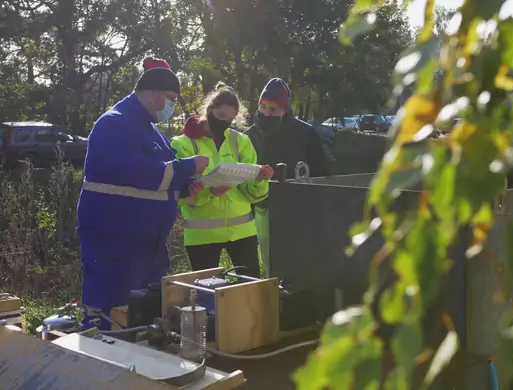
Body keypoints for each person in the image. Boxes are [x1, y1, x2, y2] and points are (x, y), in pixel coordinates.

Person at [77, 57, 208, 329]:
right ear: (154, 94)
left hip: (147, 246)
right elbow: (139, 173)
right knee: (109, 316)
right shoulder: (114, 124)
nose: (171, 107)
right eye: (170, 99)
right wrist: (187, 167)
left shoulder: (150, 130)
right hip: (116, 242)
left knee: (143, 316)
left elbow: (159, 180)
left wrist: (184, 186)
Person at [171, 82, 274, 278]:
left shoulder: (241, 141)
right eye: (220, 117)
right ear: (209, 110)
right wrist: (209, 193)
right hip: (202, 236)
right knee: (207, 297)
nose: (225, 122)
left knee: (249, 291)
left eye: (230, 119)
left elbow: (253, 195)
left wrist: (260, 179)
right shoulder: (181, 144)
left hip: (242, 233)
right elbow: (180, 195)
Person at [244, 77, 329, 275]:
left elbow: (322, 173)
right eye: (263, 107)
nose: (266, 113)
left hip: (299, 206)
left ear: (284, 109)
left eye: (273, 109)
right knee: (269, 258)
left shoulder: (306, 133)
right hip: (263, 206)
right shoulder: (248, 136)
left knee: (301, 259)